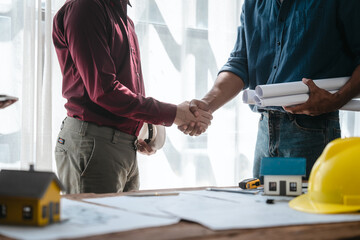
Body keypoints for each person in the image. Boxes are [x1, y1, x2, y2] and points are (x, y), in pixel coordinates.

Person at [179, 0, 360, 180]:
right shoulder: (253, 4)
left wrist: (337, 99)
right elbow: (240, 62)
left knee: (304, 206)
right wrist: (207, 104)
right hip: (265, 130)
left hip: (312, 129)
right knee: (264, 205)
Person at [52, 0, 212, 194]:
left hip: (120, 147)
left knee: (127, 223)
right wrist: (175, 114)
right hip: (95, 145)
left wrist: (145, 130)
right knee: (100, 224)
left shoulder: (123, 18)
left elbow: (124, 91)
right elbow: (104, 91)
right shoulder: (87, 8)